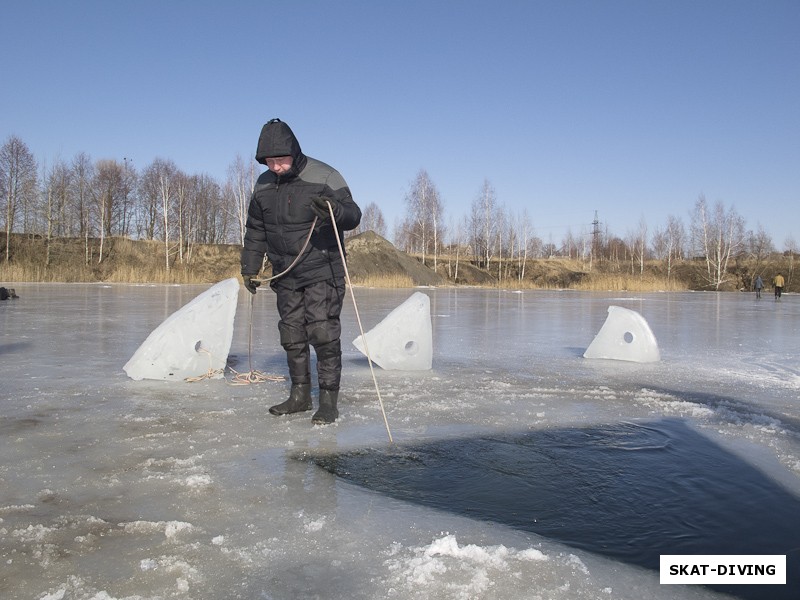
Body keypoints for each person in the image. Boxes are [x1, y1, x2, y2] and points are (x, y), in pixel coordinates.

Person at [240, 119, 361, 424]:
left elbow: (353, 214)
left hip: (323, 268)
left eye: (281, 160)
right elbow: (256, 229)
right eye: (270, 162)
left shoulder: (325, 176)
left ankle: (329, 401)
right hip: (285, 272)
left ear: (294, 152)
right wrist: (250, 267)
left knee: (322, 332)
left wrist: (335, 211)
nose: (276, 167)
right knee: (292, 335)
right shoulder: (263, 185)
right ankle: (300, 396)